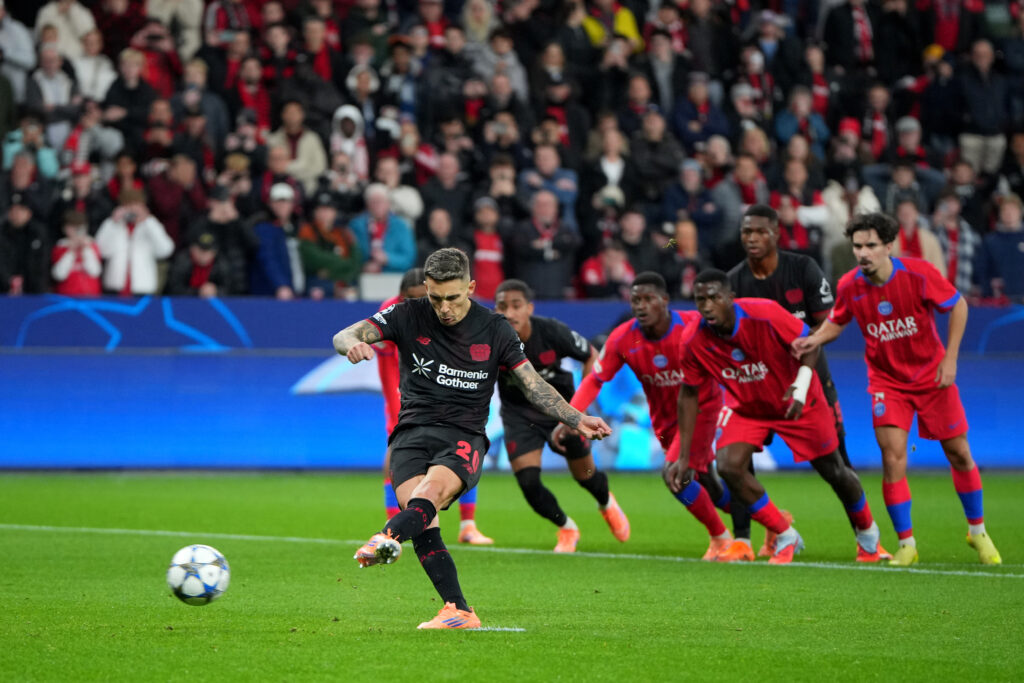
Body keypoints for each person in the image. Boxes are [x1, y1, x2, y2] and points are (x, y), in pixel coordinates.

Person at [334, 247, 611, 629]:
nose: (444, 308)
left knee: (428, 495)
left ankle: (386, 536)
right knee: (423, 521)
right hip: (410, 433)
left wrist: (576, 417)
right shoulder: (406, 314)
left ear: (471, 287)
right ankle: (458, 609)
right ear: (426, 289)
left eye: (452, 297)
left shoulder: (495, 328)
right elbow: (344, 334)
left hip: (463, 436)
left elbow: (533, 385)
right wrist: (353, 344)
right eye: (436, 298)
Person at [794, 212, 1002, 566]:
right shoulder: (849, 285)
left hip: (932, 377)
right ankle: (907, 544)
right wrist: (813, 340)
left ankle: (977, 531)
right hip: (887, 383)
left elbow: (959, 305)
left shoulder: (918, 274)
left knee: (959, 453)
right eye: (857, 246)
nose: (863, 253)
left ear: (888, 246)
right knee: (892, 459)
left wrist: (950, 359)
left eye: (871, 245)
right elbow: (837, 321)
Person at [665, 270, 889, 564]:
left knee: (834, 471)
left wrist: (801, 386)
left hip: (796, 401)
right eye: (700, 300)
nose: (707, 306)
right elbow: (688, 394)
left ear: (730, 298)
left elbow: (810, 343)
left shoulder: (765, 314)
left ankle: (868, 534)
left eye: (714, 298)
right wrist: (684, 457)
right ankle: (785, 533)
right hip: (748, 408)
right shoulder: (692, 340)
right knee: (729, 465)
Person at [557, 272, 733, 560]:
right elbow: (595, 379)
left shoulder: (692, 325)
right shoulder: (623, 337)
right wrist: (571, 416)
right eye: (635, 300)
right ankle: (764, 516)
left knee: (675, 475)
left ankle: (722, 539)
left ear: (665, 300)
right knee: (708, 484)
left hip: (703, 409)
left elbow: (730, 350)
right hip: (665, 420)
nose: (641, 305)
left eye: (648, 299)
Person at [720, 204, 847, 562]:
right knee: (735, 461)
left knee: (837, 460)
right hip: (757, 382)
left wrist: (805, 351)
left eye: (760, 231)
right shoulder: (733, 282)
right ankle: (743, 540)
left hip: (809, 377)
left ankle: (866, 538)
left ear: (776, 233)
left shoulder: (803, 268)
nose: (753, 238)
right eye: (747, 232)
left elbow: (828, 322)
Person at [494, 279, 629, 552]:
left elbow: (591, 355)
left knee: (586, 476)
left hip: (563, 409)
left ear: (529, 308)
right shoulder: (491, 338)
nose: (509, 313)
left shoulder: (552, 331)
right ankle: (566, 527)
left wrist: (581, 409)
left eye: (516, 305)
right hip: (519, 415)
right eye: (502, 306)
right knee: (529, 483)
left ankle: (606, 502)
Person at [374, 267, 493, 545]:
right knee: (394, 453)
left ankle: (468, 526)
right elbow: (388, 363)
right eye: (411, 298)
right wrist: (397, 405)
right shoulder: (392, 312)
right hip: (405, 389)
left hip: (447, 388)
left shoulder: (449, 311)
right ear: (402, 297)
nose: (419, 304)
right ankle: (393, 524)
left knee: (463, 449)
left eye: (424, 298)